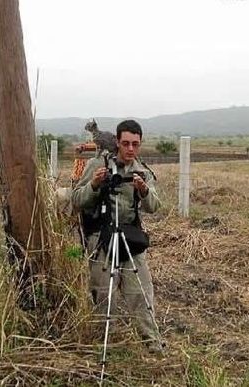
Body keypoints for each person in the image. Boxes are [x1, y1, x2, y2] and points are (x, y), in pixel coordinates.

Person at [71, 119, 163, 353]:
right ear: (117, 142)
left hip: (130, 240)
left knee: (141, 296)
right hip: (102, 240)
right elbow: (76, 200)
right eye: (125, 143)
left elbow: (154, 206)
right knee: (103, 298)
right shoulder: (97, 164)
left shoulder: (142, 170)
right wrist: (94, 184)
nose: (130, 149)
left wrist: (143, 190)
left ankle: (153, 345)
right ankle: (103, 350)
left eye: (135, 144)